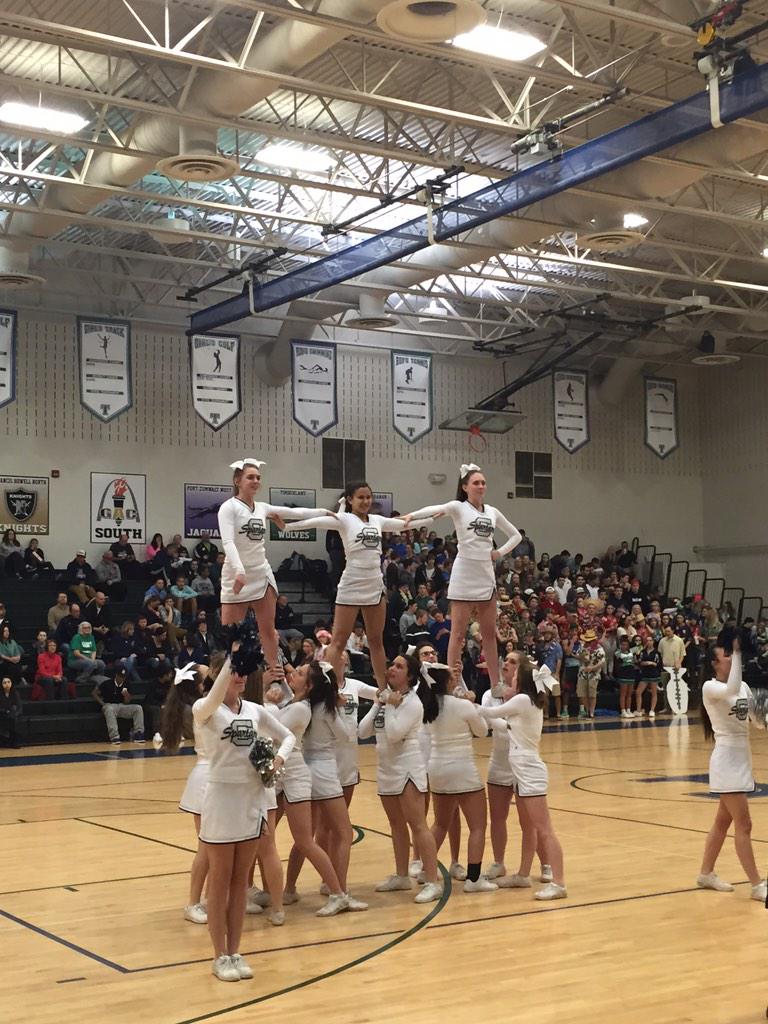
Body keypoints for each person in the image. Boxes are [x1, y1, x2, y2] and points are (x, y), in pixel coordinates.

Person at [192, 653, 295, 982]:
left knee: (240, 884)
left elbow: (289, 736)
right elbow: (216, 692)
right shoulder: (205, 710)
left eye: (242, 672)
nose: (238, 677)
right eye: (233, 672)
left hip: (252, 801)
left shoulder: (255, 710)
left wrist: (278, 759)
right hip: (221, 801)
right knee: (219, 883)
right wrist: (232, 655)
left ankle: (235, 951)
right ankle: (218, 955)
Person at [281, 481, 427, 689]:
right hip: (351, 583)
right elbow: (315, 521)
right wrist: (287, 526)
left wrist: (434, 516)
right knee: (338, 641)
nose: (366, 501)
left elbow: (404, 523)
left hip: (374, 585)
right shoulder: (344, 519)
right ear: (350, 500)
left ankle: (383, 690)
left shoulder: (377, 520)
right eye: (360, 497)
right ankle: (324, 688)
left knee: (376, 641)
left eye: (368, 497)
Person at [403, 464, 521, 695]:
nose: (480, 486)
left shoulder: (493, 512)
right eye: (476, 482)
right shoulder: (458, 507)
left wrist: (498, 553)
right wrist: (411, 516)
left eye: (483, 482)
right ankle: (453, 684)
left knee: (489, 633)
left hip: (486, 575)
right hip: (464, 572)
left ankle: (496, 684)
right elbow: (434, 508)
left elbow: (515, 535)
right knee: (457, 635)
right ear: (465, 487)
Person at [264, 662, 365, 916]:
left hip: (302, 768)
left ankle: (290, 889)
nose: (292, 675)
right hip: (322, 770)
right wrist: (340, 709)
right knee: (342, 833)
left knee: (304, 838)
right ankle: (339, 890)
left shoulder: (303, 706)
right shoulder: (319, 708)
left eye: (299, 673)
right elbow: (346, 736)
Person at [217, 458, 329, 676]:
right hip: (236, 573)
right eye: (250, 477)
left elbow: (294, 513)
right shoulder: (228, 508)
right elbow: (228, 543)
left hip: (261, 571)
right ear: (237, 480)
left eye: (258, 477)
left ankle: (276, 677)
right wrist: (239, 571)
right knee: (231, 636)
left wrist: (324, 511)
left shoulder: (262, 507)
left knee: (268, 630)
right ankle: (232, 681)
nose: (256, 481)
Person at [478, 652, 566, 899]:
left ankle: (559, 883)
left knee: (544, 830)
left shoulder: (523, 700)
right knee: (534, 827)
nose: (511, 679)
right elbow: (504, 725)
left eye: (515, 675)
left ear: (523, 680)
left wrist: (468, 702)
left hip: (529, 772)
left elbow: (491, 714)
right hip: (521, 771)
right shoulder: (526, 702)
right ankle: (523, 874)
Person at [358, 654, 442, 903]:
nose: (392, 668)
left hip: (407, 766)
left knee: (418, 825)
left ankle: (432, 879)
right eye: (391, 664)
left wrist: (392, 704)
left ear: (411, 675)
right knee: (395, 824)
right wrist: (379, 702)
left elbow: (394, 734)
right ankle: (402, 875)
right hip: (386, 767)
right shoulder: (388, 700)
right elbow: (363, 731)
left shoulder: (412, 703)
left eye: (399, 666)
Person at [697, 637, 766, 901]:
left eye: (731, 654)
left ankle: (705, 873)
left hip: (743, 757)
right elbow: (731, 687)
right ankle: (757, 884)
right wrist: (739, 652)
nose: (730, 657)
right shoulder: (710, 687)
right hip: (726, 760)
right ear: (715, 663)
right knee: (744, 824)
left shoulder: (744, 686)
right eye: (726, 655)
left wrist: (763, 713)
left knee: (722, 821)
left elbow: (756, 721)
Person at [162, 657, 222, 925]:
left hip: (216, 775)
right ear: (198, 683)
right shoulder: (204, 706)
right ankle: (193, 903)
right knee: (207, 848)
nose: (210, 669)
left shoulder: (206, 702)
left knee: (216, 847)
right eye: (205, 670)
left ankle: (212, 897)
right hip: (207, 778)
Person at [92, 668, 145, 743]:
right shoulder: (107, 683)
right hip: (110, 705)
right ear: (116, 675)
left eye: (123, 677)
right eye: (120, 676)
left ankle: (139, 733)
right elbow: (94, 693)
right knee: (109, 709)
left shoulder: (126, 684)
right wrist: (102, 703)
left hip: (122, 706)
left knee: (138, 708)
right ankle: (114, 737)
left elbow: (127, 702)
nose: (121, 678)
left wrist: (126, 696)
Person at [636, 635, 662, 718]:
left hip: (653, 674)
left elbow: (658, 664)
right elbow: (640, 662)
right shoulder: (643, 652)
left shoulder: (657, 653)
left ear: (653, 642)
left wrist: (651, 663)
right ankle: (638, 710)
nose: (649, 642)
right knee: (638, 692)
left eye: (650, 640)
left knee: (654, 693)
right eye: (647, 640)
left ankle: (652, 710)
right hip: (644, 674)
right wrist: (645, 663)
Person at [0, 676, 22, 747]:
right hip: (2, 714)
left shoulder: (15, 693)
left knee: (13, 718)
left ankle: (14, 742)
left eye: (9, 682)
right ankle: (5, 740)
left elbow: (19, 707)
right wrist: (5, 711)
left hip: (13, 714)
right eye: (4, 683)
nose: (7, 684)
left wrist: (16, 713)